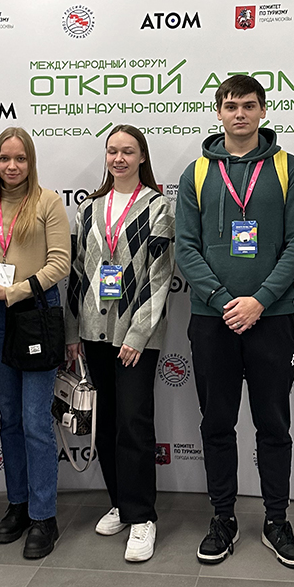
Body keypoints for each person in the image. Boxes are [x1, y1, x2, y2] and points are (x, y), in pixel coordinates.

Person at [175, 74, 294, 568]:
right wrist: (221, 298)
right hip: (212, 321)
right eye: (230, 105)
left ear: (263, 111)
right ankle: (223, 518)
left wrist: (259, 300)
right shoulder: (196, 172)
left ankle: (277, 520)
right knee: (217, 422)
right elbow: (185, 247)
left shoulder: (287, 167)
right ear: (218, 112)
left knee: (273, 423)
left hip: (271, 319)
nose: (239, 114)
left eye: (248, 105)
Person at [66, 125, 175, 562]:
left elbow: (161, 275)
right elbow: (77, 274)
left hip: (135, 337)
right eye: (112, 151)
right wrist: (73, 331)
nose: (119, 158)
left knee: (133, 422)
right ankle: (120, 503)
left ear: (142, 157)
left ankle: (143, 516)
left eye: (128, 151)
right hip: (93, 332)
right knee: (107, 422)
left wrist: (137, 334)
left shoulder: (157, 207)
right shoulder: (89, 208)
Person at [0, 127, 71, 559]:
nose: (12, 166)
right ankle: (18, 505)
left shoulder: (48, 202)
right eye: (4, 159)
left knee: (34, 421)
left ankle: (45, 516)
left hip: (37, 312)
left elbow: (60, 264)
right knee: (9, 418)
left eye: (20, 159)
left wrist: (14, 291)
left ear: (31, 162)